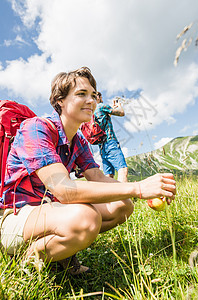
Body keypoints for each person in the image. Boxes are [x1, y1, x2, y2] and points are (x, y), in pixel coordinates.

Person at [0, 67, 176, 275]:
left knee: (122, 206)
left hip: (51, 210)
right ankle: (24, 262)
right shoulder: (37, 128)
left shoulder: (79, 140)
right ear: (60, 101)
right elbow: (64, 190)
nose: (91, 101)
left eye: (93, 95)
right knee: (86, 218)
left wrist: (145, 189)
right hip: (16, 216)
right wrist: (138, 188)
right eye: (81, 94)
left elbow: (98, 177)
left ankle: (60, 251)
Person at [94, 92, 128, 182]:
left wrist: (113, 107)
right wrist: (119, 105)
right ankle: (124, 195)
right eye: (101, 97)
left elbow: (105, 117)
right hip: (110, 143)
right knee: (123, 170)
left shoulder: (92, 111)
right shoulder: (101, 106)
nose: (102, 98)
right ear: (98, 97)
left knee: (109, 176)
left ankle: (110, 195)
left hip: (102, 148)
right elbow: (121, 113)